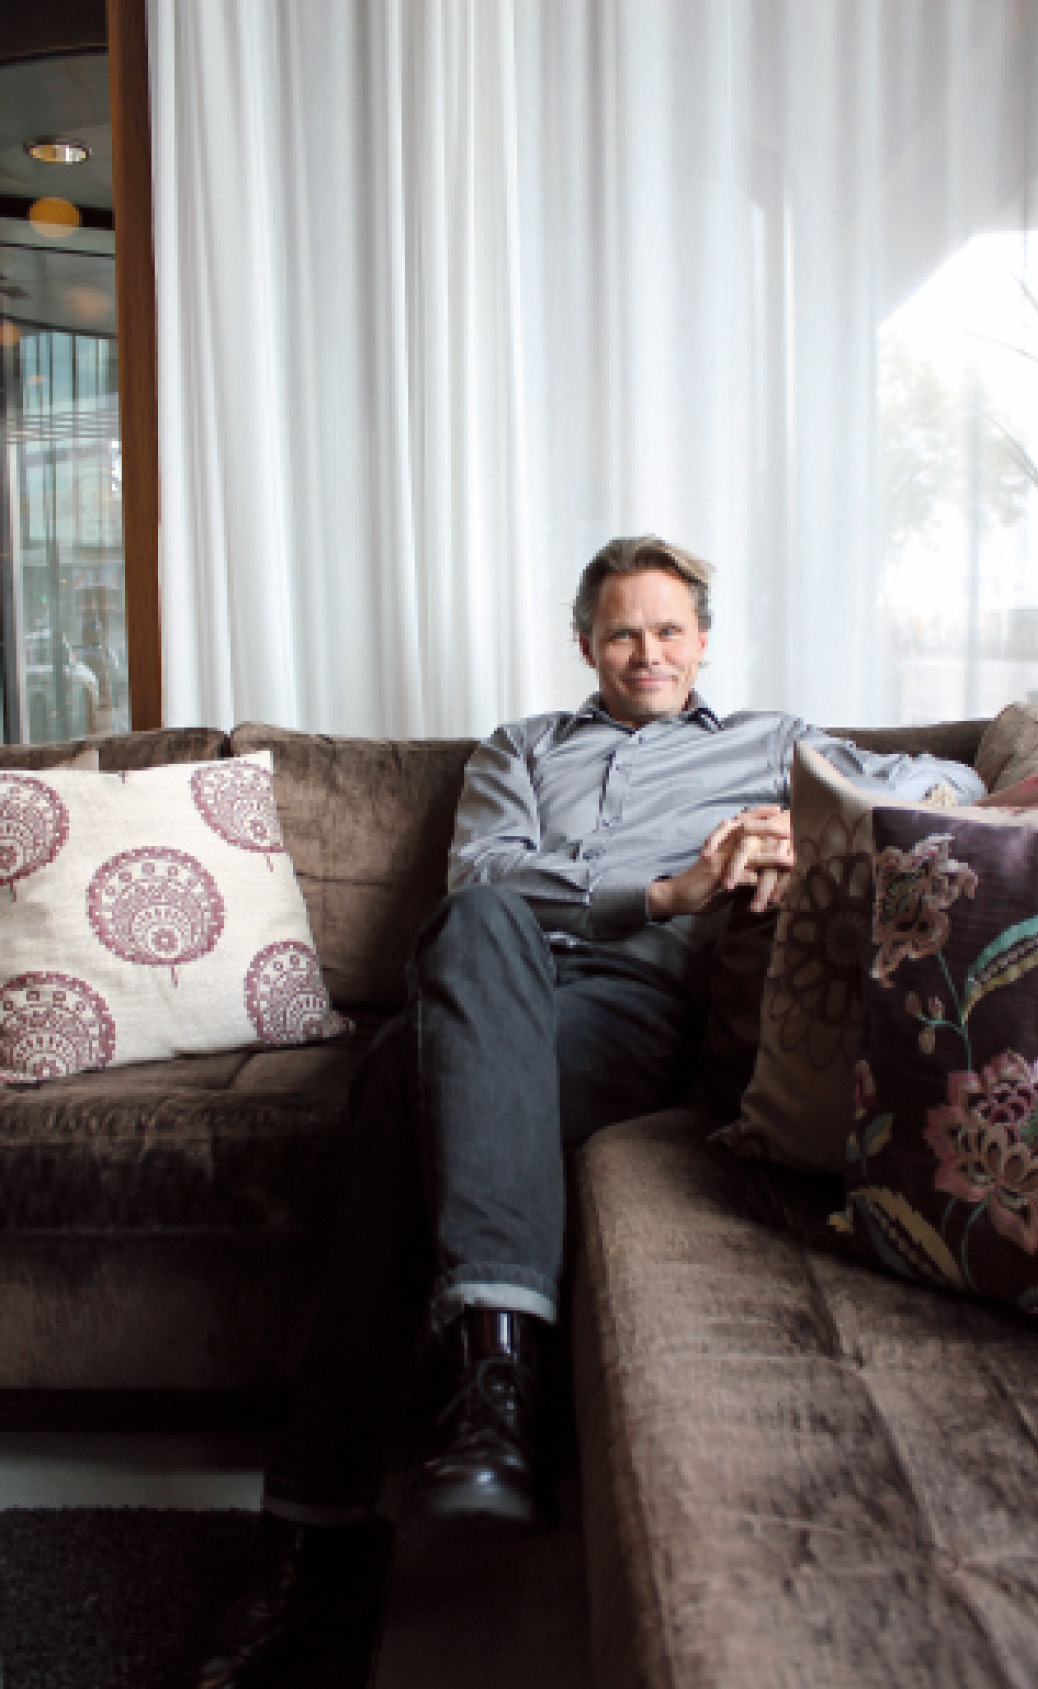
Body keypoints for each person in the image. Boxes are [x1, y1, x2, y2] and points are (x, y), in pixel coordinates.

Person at [198, 535, 989, 1689]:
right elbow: (481, 877)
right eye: (623, 632)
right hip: (484, 984)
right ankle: (496, 1400)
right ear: (586, 645)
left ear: (703, 641)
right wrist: (668, 891)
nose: (648, 652)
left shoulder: (776, 746)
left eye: (669, 630)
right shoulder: (519, 749)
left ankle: (312, 1543)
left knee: (403, 1090)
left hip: (626, 1018)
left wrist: (817, 826)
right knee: (474, 936)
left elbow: (946, 783)